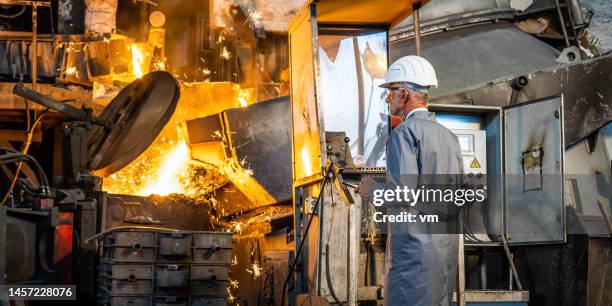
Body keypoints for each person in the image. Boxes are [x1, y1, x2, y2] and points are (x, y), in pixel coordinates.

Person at [362, 55, 464, 305]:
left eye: (390, 91)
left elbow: (403, 193)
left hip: (414, 256)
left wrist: (371, 190)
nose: (388, 97)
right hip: (444, 253)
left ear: (404, 94)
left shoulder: (404, 134)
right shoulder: (449, 137)